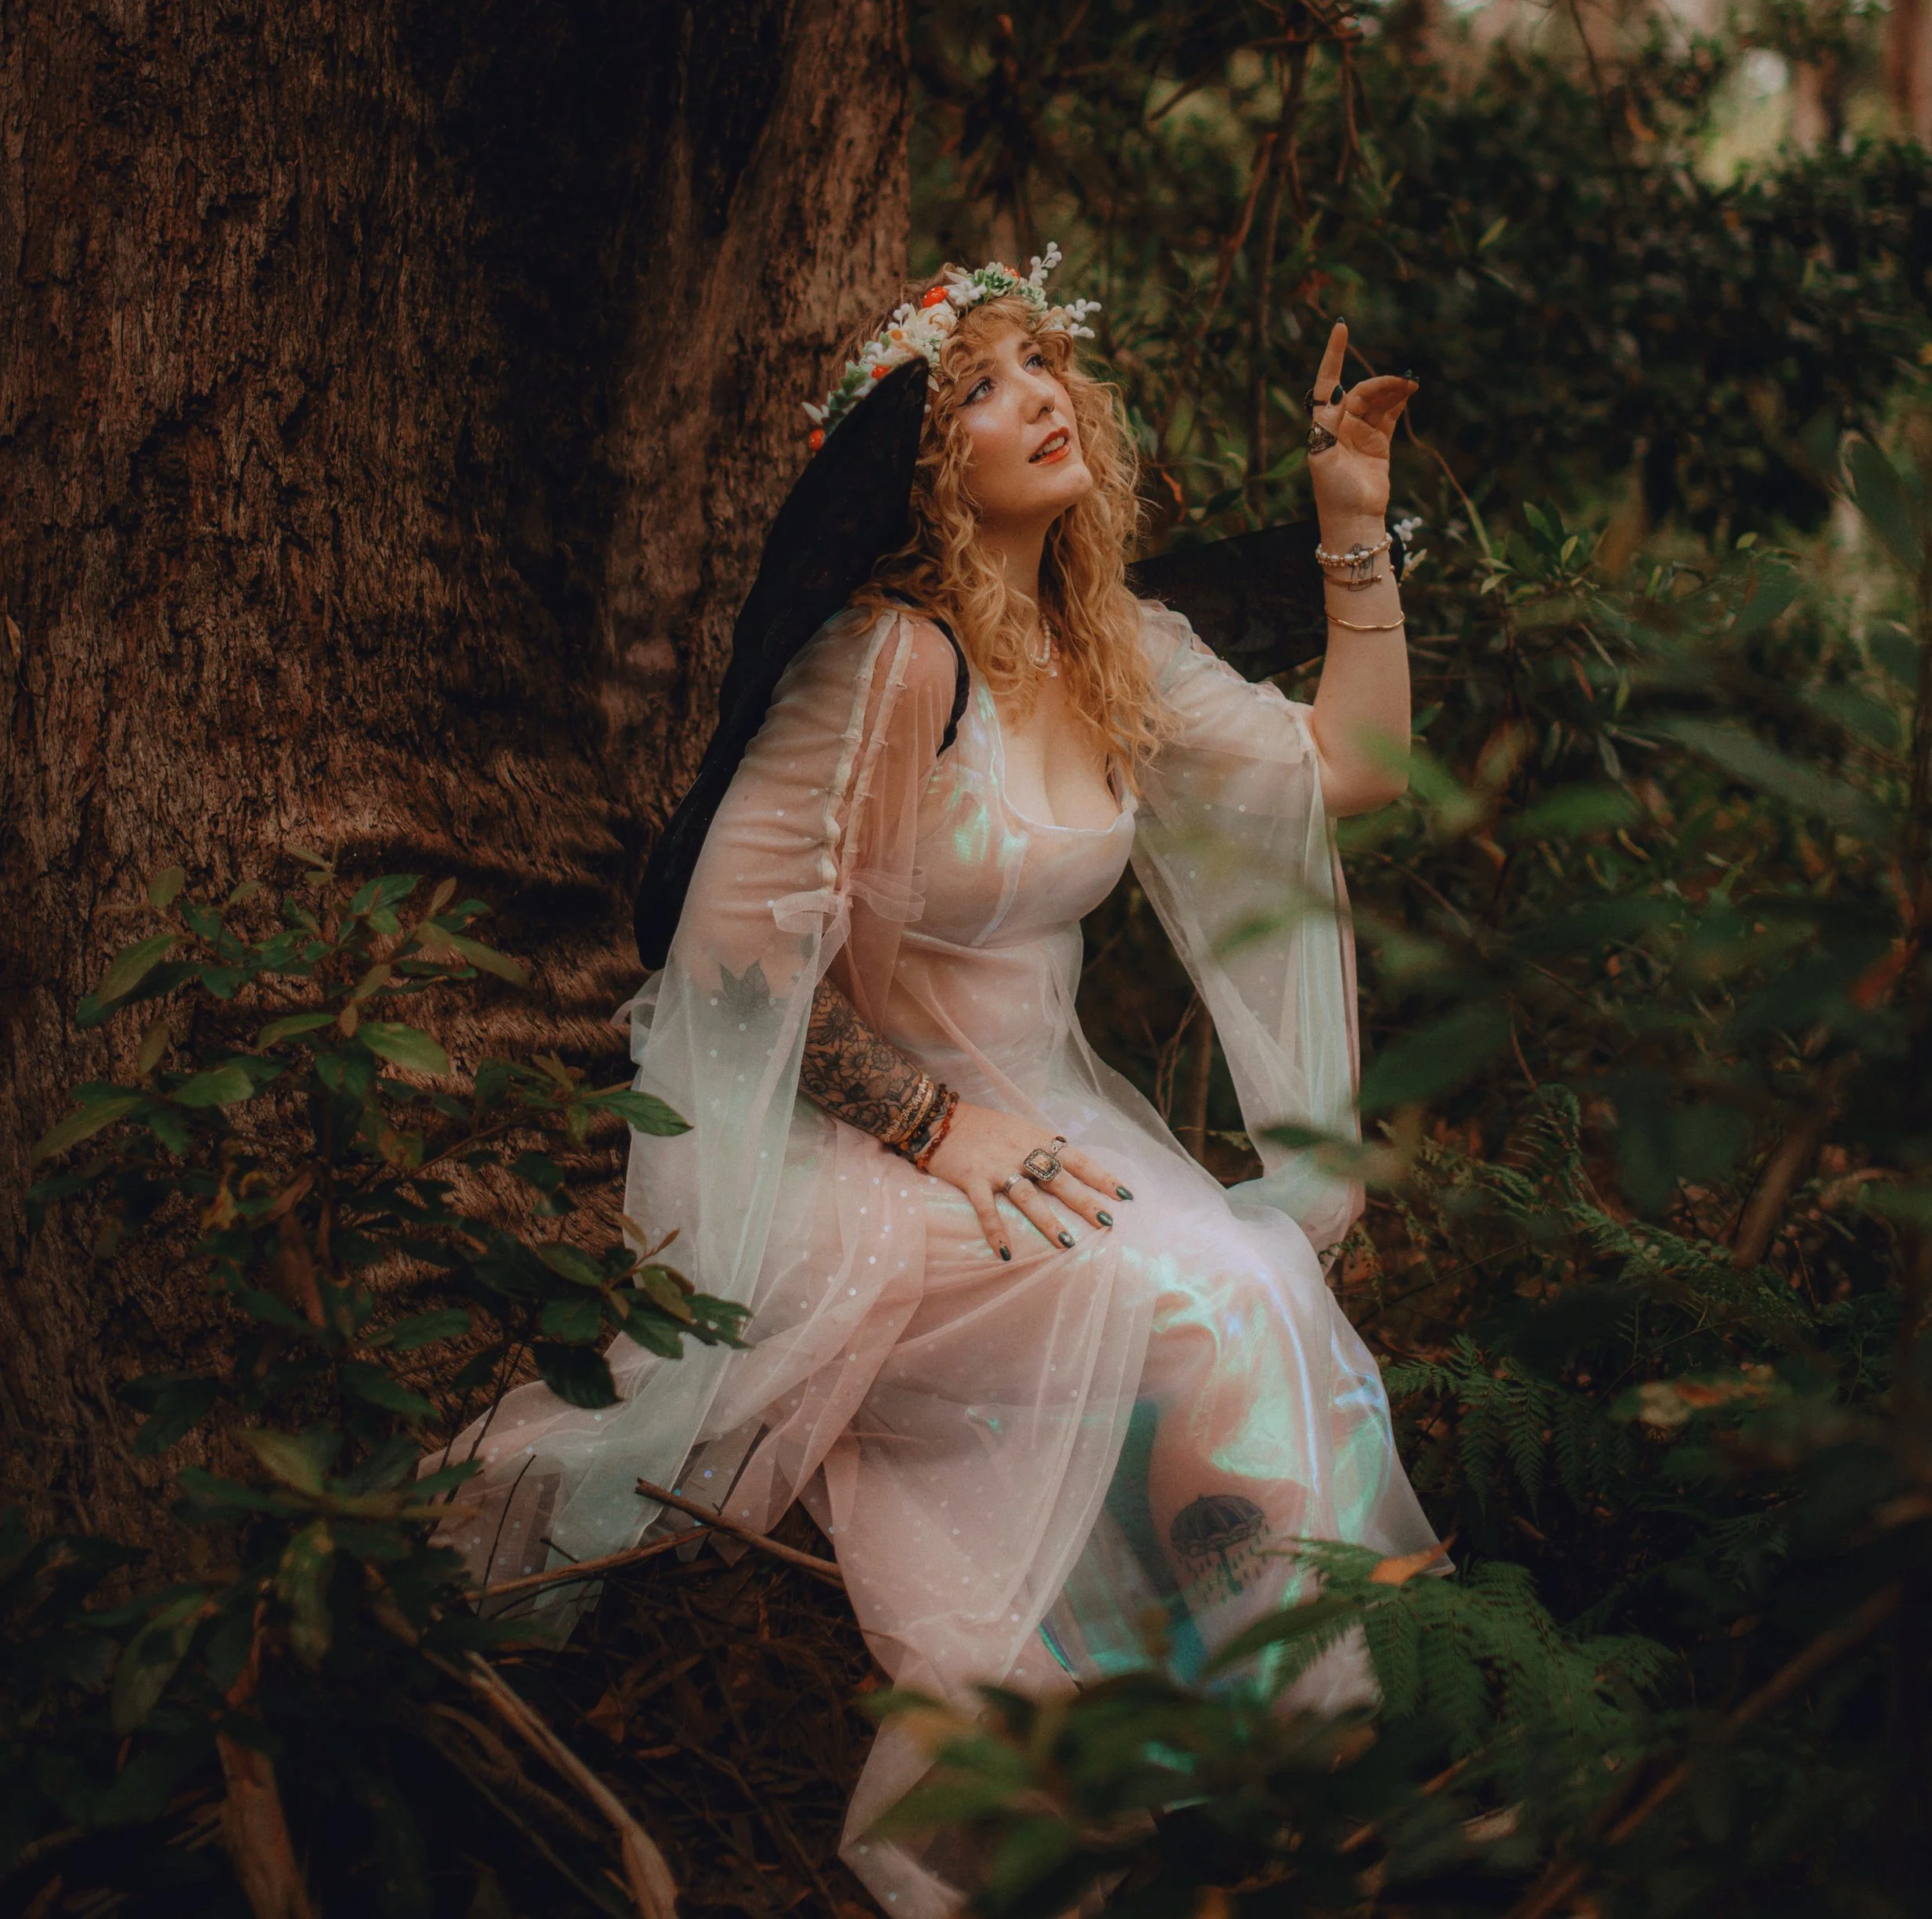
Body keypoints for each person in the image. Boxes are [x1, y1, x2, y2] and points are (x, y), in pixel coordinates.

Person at [447, 251, 1439, 1919]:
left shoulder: (1106, 644)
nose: (1036, 398)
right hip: (842, 1151)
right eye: (978, 386)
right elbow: (726, 967)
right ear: (918, 466)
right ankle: (1284, 1785)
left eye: (1042, 364)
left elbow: (1353, 769)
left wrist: (1351, 512)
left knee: (1260, 1285)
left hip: (1052, 1132)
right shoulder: (888, 661)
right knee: (1218, 1302)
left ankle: (1289, 1769)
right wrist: (931, 1121)